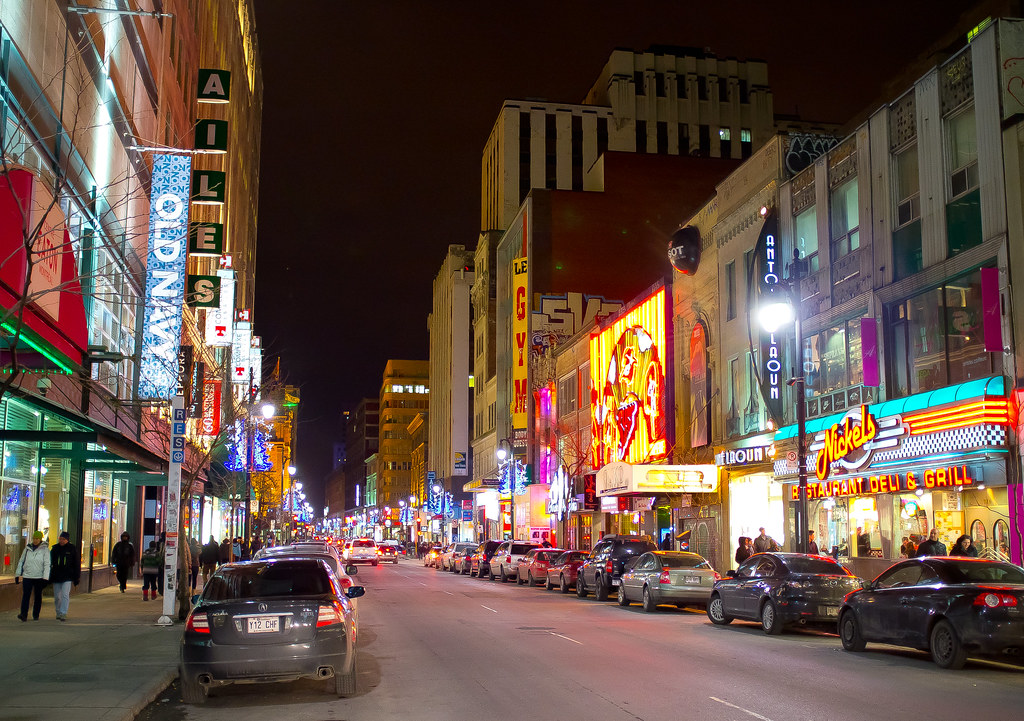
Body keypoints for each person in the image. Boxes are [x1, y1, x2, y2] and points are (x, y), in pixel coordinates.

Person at [15, 531, 51, 622]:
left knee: (38, 596)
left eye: (37, 539)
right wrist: (17, 574)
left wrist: (45, 578)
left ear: (40, 539)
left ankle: (36, 614)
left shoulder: (45, 550)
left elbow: (47, 564)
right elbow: (21, 561)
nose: (35, 540)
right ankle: (23, 614)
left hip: (39, 577)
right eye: (34, 538)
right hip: (27, 576)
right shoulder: (27, 549)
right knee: (26, 595)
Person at [50, 531, 80, 621]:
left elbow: (76, 564)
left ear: (67, 540)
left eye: (63, 539)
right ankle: (58, 612)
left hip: (67, 576)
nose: (61, 541)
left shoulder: (72, 549)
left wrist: (76, 577)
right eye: (60, 539)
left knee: (65, 595)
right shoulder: (55, 549)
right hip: (56, 576)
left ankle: (63, 613)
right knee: (57, 597)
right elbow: (50, 562)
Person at [156, 531, 167, 597]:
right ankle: (161, 589)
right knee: (162, 576)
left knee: (160, 576)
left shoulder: (159, 543)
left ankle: (161, 589)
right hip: (163, 562)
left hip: (160, 562)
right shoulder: (163, 543)